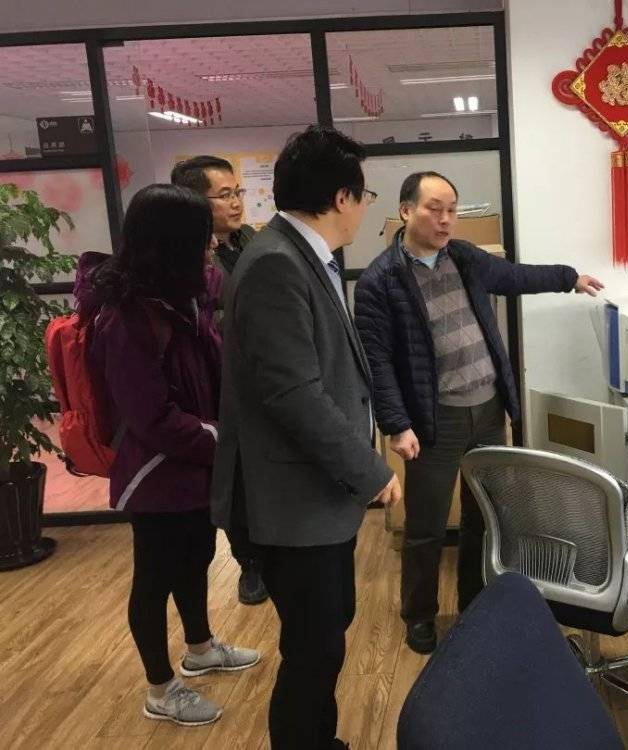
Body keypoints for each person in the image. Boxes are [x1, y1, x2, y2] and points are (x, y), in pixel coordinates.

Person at [354, 171, 604, 654]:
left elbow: (514, 277)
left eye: (451, 209)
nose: (445, 219)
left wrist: (568, 278)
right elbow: (377, 362)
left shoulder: (465, 257)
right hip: (435, 421)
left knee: (485, 518)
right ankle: (419, 615)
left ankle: (473, 604)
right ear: (406, 211)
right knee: (425, 527)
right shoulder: (379, 281)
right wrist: (396, 425)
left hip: (488, 411)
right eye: (434, 209)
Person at [210, 126, 401, 750]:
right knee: (313, 649)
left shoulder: (300, 253)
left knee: (325, 634)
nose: (364, 207)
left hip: (313, 495)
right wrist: (371, 470)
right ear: (341, 198)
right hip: (289, 501)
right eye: (364, 195)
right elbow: (293, 395)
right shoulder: (276, 263)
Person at [80, 184, 260, 727]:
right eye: (202, 236)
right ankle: (160, 687)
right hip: (155, 472)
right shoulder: (125, 318)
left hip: (196, 461)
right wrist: (223, 439)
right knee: (154, 577)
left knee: (196, 555)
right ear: (172, 243)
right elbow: (151, 418)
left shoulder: (181, 295)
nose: (213, 245)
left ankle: (200, 647)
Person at [170, 155, 266, 605]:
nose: (236, 203)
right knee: (234, 479)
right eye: (224, 195)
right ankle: (249, 562)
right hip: (218, 390)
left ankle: (272, 551)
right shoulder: (186, 261)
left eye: (237, 192)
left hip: (264, 376)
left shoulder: (249, 240)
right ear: (194, 201)